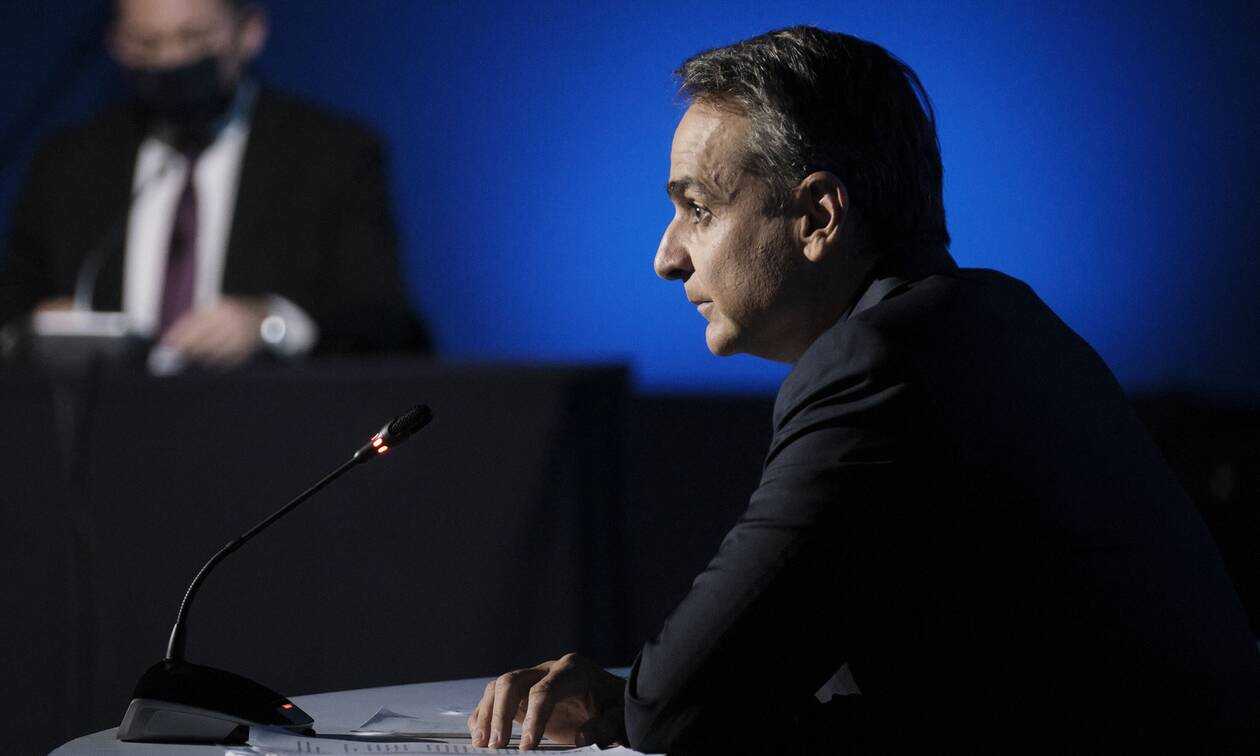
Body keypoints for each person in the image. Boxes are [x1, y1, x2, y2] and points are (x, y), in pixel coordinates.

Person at [466, 26, 1260, 753]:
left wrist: (626, 701)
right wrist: (639, 697)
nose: (667, 258)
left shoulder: (878, 366)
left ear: (818, 216)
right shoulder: (1000, 320)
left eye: (697, 208)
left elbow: (681, 709)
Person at [0, 0, 429, 366]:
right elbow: (15, 305)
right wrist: (40, 328)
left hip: (267, 417)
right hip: (105, 422)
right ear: (115, 42)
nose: (170, 60)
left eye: (193, 38)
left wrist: (271, 324)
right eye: (146, 43)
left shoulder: (331, 155)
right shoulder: (69, 162)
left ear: (250, 31)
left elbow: (382, 320)